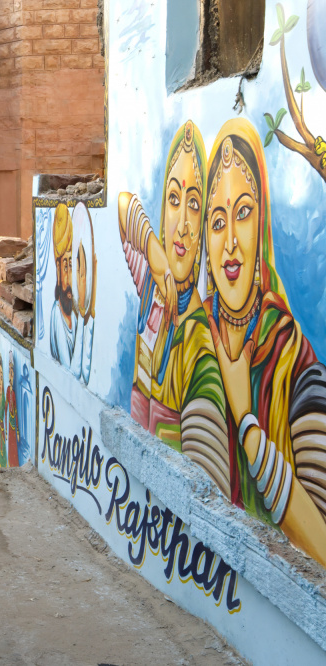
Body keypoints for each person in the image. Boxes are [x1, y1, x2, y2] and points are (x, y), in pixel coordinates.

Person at [201, 119, 326, 566]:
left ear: (263, 224)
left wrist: (246, 421)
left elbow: (321, 544)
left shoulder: (294, 359)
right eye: (217, 221)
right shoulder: (196, 335)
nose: (231, 242)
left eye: (244, 213)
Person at [117, 120, 231, 496]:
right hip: (131, 497)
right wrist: (154, 252)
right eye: (174, 199)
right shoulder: (150, 285)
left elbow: (209, 479)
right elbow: (123, 206)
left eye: (195, 205)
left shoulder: (199, 344)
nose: (182, 225)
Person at [49, 202, 95, 383]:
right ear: (58, 270)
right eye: (66, 266)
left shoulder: (74, 312)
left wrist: (88, 316)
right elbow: (72, 371)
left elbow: (85, 369)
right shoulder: (56, 313)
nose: (70, 278)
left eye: (73, 266)